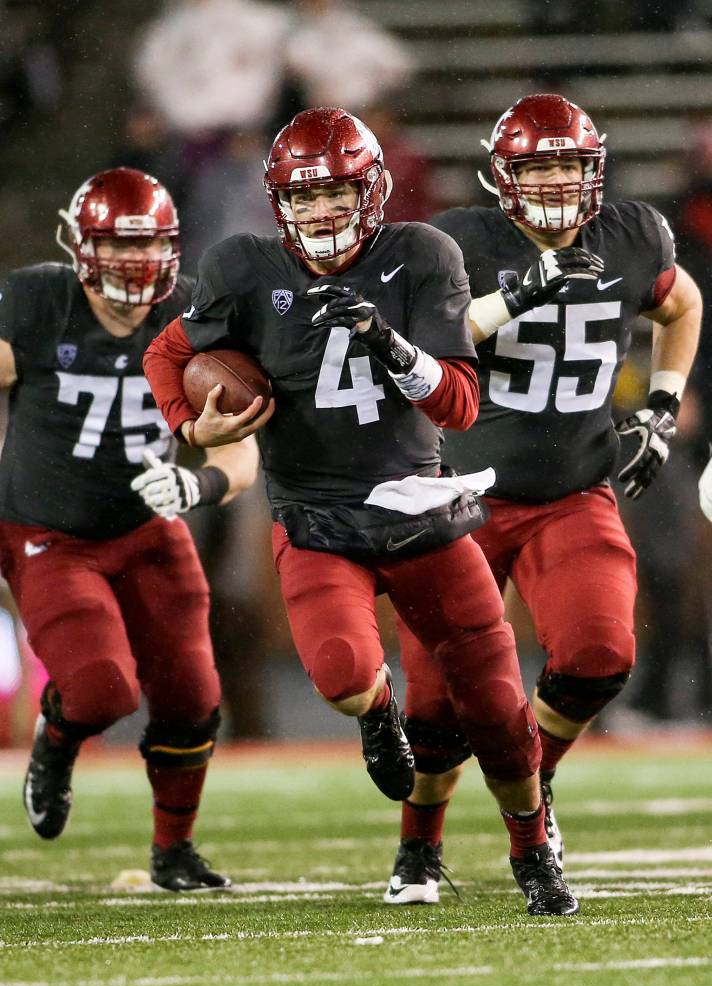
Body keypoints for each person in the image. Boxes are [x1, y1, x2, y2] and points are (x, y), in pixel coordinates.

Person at [142, 106, 605, 916]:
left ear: (375, 190)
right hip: (317, 516)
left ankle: (534, 850)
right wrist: (191, 425)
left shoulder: (419, 255)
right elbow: (167, 351)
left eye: (337, 193)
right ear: (279, 202)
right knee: (345, 677)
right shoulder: (246, 267)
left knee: (497, 708)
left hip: (419, 508)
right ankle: (381, 715)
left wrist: (390, 344)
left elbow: (460, 406)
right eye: (305, 196)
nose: (321, 212)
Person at [385, 92, 702, 904]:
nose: (557, 181)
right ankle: (419, 848)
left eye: (570, 164)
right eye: (540, 166)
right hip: (457, 496)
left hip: (573, 491)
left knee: (601, 653)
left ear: (595, 171)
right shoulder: (458, 241)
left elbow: (682, 302)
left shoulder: (632, 234)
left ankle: (536, 779)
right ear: (504, 176)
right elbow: (422, 350)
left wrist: (661, 405)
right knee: (435, 707)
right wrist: (525, 290)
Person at [0, 166, 260, 891]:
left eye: (144, 248)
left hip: (150, 528)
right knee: (100, 692)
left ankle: (173, 850)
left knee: (192, 694)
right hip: (50, 532)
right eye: (114, 247)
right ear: (81, 248)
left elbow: (240, 447)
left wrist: (197, 481)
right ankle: (57, 739)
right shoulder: (39, 302)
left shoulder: (190, 317)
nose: (131, 266)